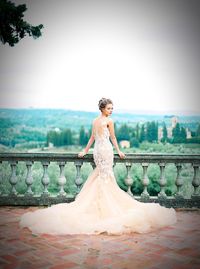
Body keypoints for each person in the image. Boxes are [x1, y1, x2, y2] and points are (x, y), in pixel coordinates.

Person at [19, 98, 177, 235]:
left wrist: (113, 151)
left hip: (101, 151)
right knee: (104, 176)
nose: (111, 110)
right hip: (103, 151)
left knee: (104, 176)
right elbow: (102, 137)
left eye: (112, 108)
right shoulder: (104, 121)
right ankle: (102, 209)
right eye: (109, 108)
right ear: (102, 108)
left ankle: (102, 206)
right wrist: (88, 150)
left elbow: (100, 138)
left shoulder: (100, 120)